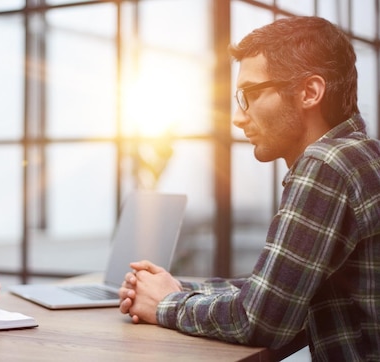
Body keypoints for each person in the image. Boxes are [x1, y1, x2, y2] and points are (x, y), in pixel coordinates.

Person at [119, 16, 380, 360]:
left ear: (310, 92)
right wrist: (178, 288)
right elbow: (277, 290)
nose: (239, 118)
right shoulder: (364, 154)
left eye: (250, 95)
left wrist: (166, 304)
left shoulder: (326, 165)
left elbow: (259, 320)